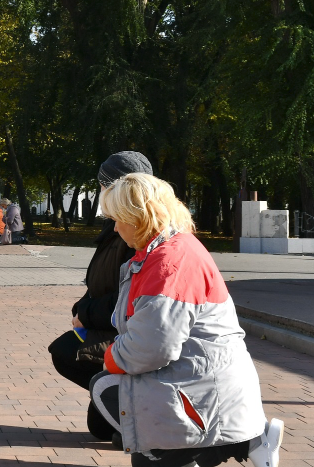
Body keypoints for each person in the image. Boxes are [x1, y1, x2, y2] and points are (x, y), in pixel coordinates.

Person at [90, 172, 283, 467]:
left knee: (106, 388)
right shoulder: (167, 251)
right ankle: (248, 440)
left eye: (117, 219)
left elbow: (153, 346)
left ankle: (235, 442)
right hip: (203, 382)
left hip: (200, 388)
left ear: (138, 217)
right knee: (128, 419)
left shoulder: (169, 262)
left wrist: (112, 356)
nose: (115, 228)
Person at [47, 150, 154, 443]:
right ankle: (126, 408)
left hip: (129, 334)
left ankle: (140, 415)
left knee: (67, 351)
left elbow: (130, 297)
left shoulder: (137, 231)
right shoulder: (115, 227)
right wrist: (81, 308)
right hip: (111, 324)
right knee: (101, 427)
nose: (101, 193)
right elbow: (100, 283)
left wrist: (87, 313)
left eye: (103, 186)